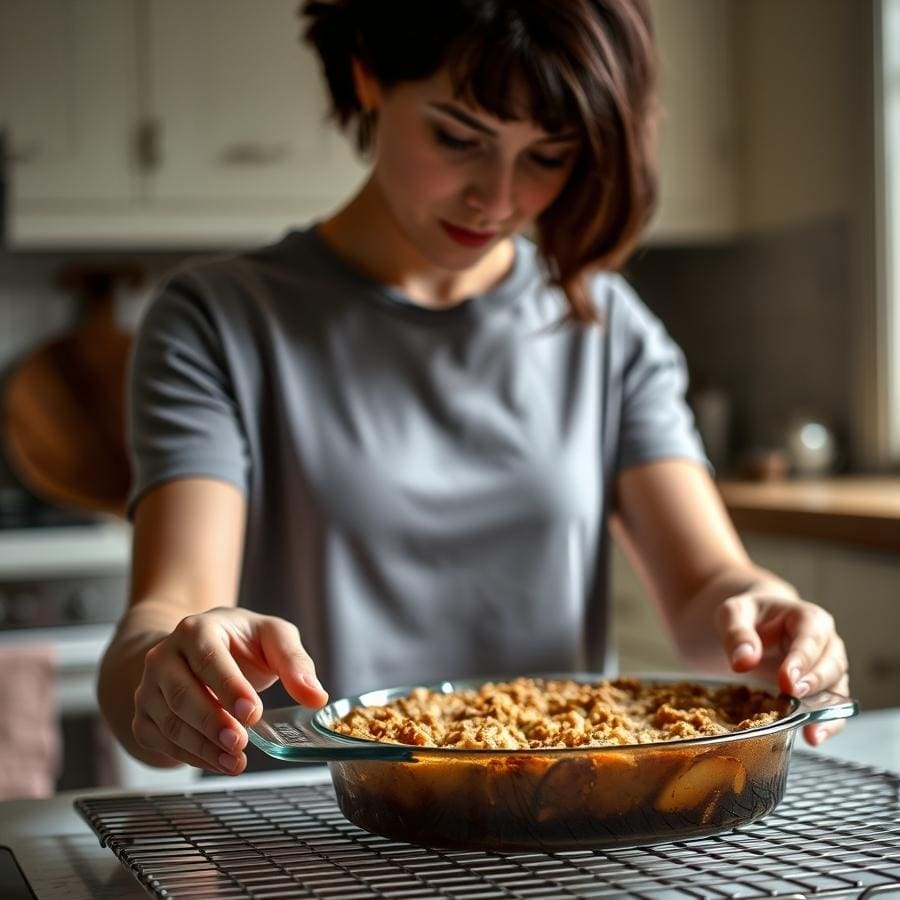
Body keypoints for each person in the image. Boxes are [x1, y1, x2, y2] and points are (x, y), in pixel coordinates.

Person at [98, 0, 849, 777]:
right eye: (459, 138)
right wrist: (169, 678)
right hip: (313, 836)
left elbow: (706, 589)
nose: (497, 198)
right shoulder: (218, 321)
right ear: (368, 77)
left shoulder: (606, 325)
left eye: (547, 156)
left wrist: (768, 612)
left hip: (563, 831)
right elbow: (161, 618)